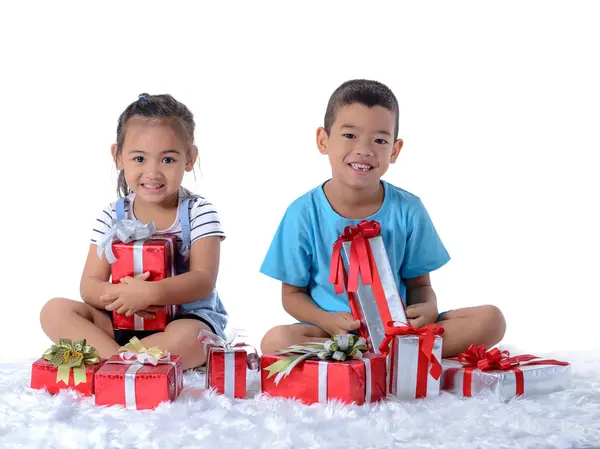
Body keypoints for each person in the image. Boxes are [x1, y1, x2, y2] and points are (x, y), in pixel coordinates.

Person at [260, 79, 505, 357]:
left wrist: (428, 308)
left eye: (379, 140)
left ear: (395, 150)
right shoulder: (302, 213)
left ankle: (384, 357)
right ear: (323, 140)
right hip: (332, 334)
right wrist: (325, 320)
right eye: (350, 135)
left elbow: (420, 286)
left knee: (491, 320)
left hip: (399, 331)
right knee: (275, 341)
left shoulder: (409, 209)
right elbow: (291, 295)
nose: (364, 149)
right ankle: (376, 358)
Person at [40, 93, 227, 370]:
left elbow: (203, 280)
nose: (152, 172)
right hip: (122, 323)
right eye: (139, 158)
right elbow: (89, 285)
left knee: (195, 339)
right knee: (54, 311)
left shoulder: (198, 212)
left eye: (167, 160)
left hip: (181, 322)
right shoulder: (112, 216)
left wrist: (151, 293)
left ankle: (115, 361)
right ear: (118, 157)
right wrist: (123, 295)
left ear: (189, 158)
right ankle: (123, 360)